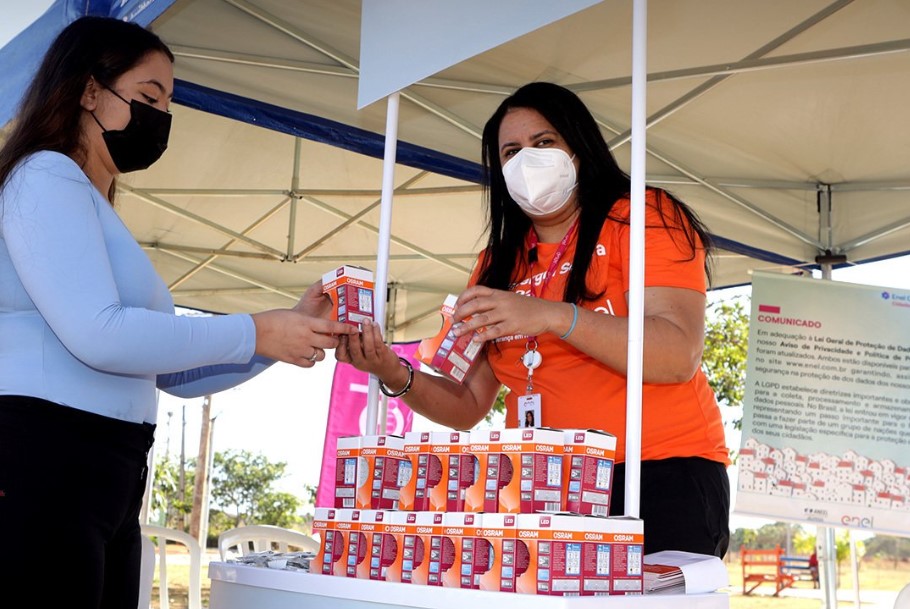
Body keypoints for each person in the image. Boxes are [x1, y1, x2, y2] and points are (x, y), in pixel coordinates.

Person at [0, 17, 355, 607]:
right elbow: (100, 335)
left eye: (168, 105)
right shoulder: (45, 174)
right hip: (47, 457)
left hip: (107, 470)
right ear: (89, 91)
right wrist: (257, 331)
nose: (160, 117)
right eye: (148, 98)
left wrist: (283, 331)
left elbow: (174, 373)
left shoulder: (91, 203)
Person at [338, 82, 730, 557]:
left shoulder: (641, 217)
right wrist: (391, 371)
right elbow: (469, 403)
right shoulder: (496, 264)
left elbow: (678, 353)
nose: (527, 160)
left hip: (660, 472)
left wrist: (551, 316)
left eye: (544, 142)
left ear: (578, 146)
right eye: (511, 152)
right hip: (544, 486)